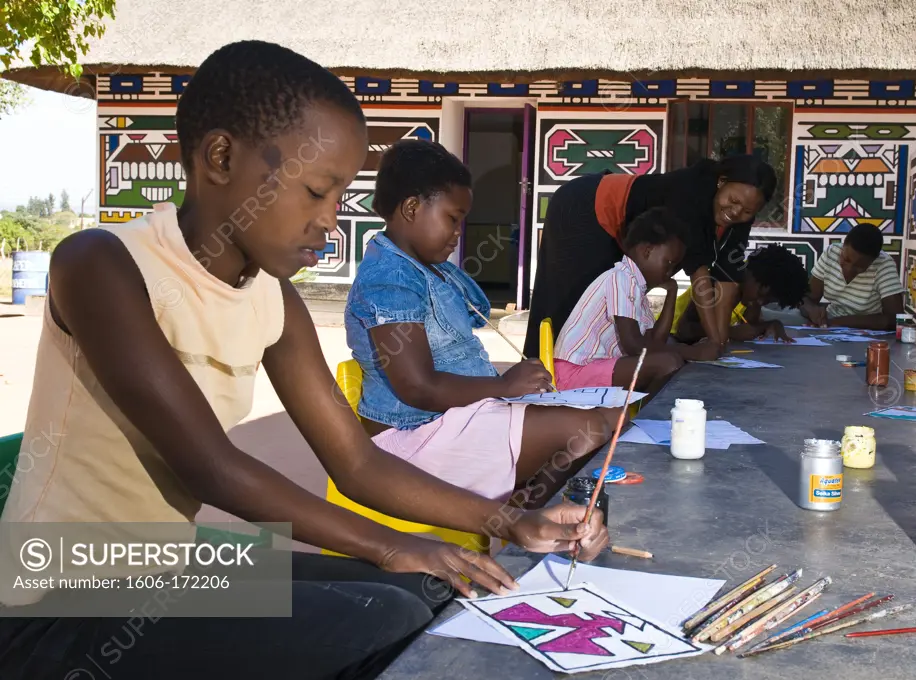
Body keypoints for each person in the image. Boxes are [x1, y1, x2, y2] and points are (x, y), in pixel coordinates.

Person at [0, 41, 608, 680]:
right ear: (221, 157)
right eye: (316, 190)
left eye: (341, 194)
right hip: (59, 586)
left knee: (431, 591)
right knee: (379, 617)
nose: (330, 219)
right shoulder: (99, 266)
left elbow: (355, 462)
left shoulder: (274, 301)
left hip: (170, 562)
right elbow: (213, 469)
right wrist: (391, 544)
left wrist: (512, 522)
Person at [346, 138, 616, 511]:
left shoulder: (431, 269)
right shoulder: (389, 279)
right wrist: (503, 385)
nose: (458, 232)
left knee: (609, 419)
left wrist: (507, 388)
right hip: (413, 439)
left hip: (452, 421)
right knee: (587, 430)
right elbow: (418, 388)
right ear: (411, 208)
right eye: (452, 219)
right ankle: (525, 514)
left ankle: (525, 505)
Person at [524, 156, 778, 358]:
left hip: (622, 232)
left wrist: (720, 341)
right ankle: (541, 377)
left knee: (612, 311)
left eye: (747, 211)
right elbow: (700, 277)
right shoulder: (691, 192)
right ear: (721, 181)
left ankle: (592, 379)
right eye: (732, 201)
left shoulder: (741, 215)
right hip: (587, 207)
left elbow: (726, 278)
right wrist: (711, 342)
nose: (735, 212)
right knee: (570, 302)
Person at [552, 208, 721, 393]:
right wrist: (692, 352)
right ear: (647, 251)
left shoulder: (637, 288)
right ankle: (644, 417)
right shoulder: (620, 278)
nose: (671, 271)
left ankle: (640, 413)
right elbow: (634, 345)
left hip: (594, 368)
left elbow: (656, 340)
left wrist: (671, 293)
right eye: (670, 263)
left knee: (669, 356)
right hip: (573, 373)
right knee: (668, 363)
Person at [671, 244, 809, 344]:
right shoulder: (720, 281)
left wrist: (772, 324)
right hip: (671, 337)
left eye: (768, 301)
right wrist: (731, 332)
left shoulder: (753, 290)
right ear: (752, 273)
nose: (760, 302)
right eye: (762, 294)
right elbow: (684, 330)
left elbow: (749, 325)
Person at [800, 224, 905, 330]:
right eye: (846, 259)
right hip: (830, 325)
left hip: (868, 331)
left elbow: (895, 319)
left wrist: (835, 322)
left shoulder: (883, 264)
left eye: (859, 266)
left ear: (873, 260)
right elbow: (808, 298)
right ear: (843, 247)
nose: (849, 269)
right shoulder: (831, 253)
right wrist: (811, 309)